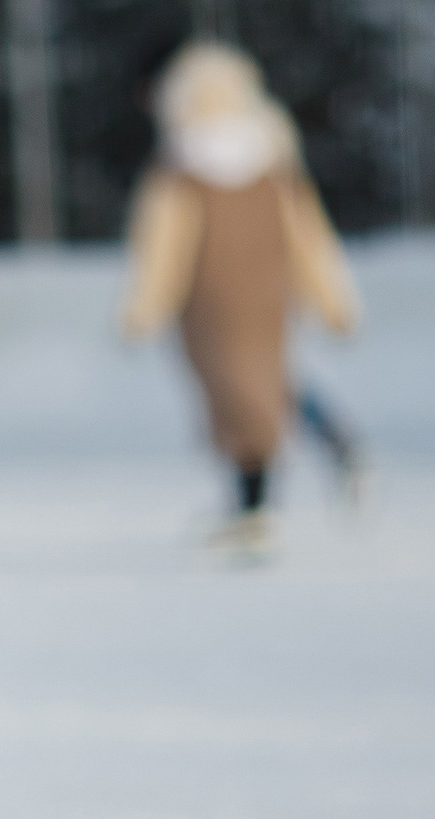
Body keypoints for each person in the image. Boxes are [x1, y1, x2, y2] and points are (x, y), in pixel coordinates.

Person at [121, 41, 364, 553]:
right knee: (267, 386)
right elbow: (310, 238)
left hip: (208, 305)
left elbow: (164, 246)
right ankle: (314, 460)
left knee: (236, 400)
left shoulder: (178, 168)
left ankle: (254, 506)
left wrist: (144, 309)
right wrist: (333, 300)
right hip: (270, 299)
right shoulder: (275, 159)